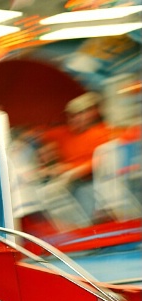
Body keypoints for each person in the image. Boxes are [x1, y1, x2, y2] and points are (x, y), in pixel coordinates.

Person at [38, 91, 112, 223]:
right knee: (44, 192)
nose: (74, 119)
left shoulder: (102, 133)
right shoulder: (62, 133)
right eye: (71, 115)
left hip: (90, 182)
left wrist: (70, 170)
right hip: (65, 182)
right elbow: (35, 137)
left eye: (79, 114)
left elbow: (100, 162)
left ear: (92, 113)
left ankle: (85, 233)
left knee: (78, 192)